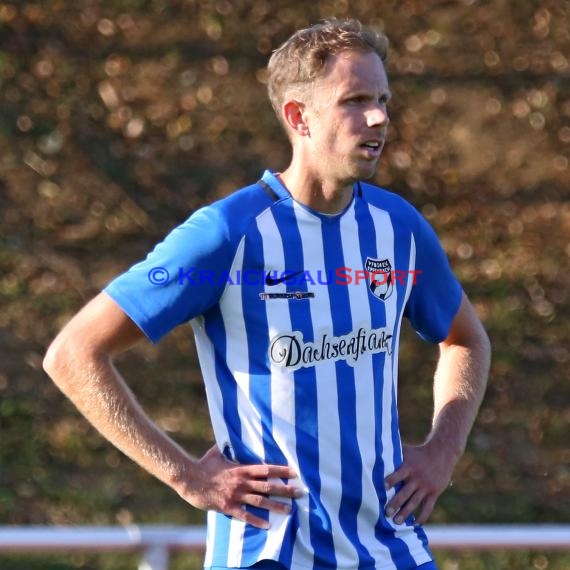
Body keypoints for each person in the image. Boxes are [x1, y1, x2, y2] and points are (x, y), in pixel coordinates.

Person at [44, 18, 491, 570]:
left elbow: (465, 339)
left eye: (382, 99)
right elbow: (74, 353)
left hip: (390, 549)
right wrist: (186, 476)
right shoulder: (227, 233)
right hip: (270, 552)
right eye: (354, 100)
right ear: (298, 117)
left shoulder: (397, 227)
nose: (378, 117)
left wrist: (444, 449)